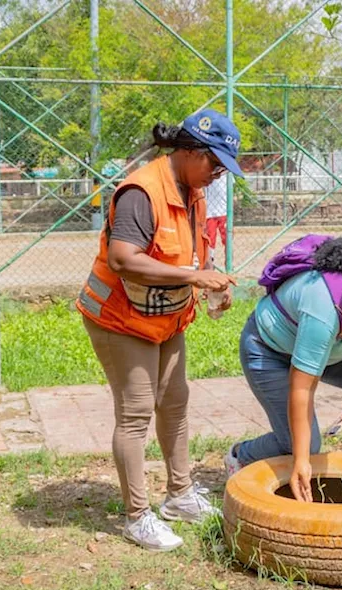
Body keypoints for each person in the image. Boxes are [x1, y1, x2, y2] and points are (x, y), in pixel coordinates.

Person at [77, 109, 241, 552]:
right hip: (119, 316)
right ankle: (136, 517)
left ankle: (180, 495)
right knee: (136, 411)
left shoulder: (193, 190)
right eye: (216, 163)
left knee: (175, 401)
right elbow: (123, 259)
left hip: (164, 315)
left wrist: (210, 278)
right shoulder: (141, 192)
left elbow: (191, 253)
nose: (219, 174)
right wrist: (192, 279)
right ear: (189, 151)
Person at [224, 238, 342, 503]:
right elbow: (302, 387)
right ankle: (241, 455)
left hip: (334, 350)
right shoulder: (323, 305)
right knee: (304, 445)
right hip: (271, 352)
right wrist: (302, 461)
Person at [204, 172, 229, 251]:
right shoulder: (207, 172)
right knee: (210, 239)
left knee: (227, 238)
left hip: (224, 210)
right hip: (210, 211)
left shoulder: (227, 173)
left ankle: (228, 260)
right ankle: (210, 259)